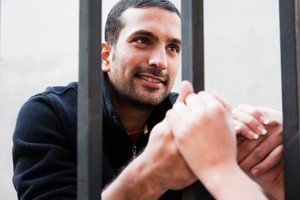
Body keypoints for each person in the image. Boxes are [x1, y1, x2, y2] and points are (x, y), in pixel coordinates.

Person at [12, 0, 284, 199]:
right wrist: (149, 176)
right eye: (142, 41)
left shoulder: (189, 119)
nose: (160, 61)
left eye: (173, 47)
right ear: (106, 56)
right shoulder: (51, 113)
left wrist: (275, 176)